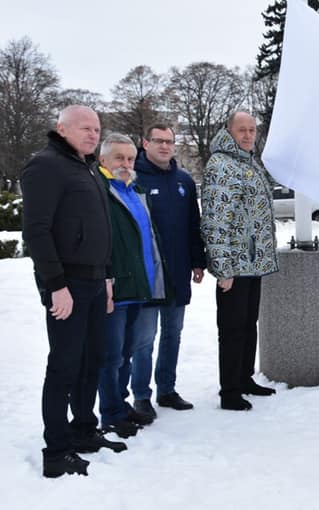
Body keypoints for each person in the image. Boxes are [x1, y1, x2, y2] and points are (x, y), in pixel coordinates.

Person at [22, 105, 125, 478]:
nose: (92, 134)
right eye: (84, 128)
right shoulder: (45, 166)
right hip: (68, 284)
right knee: (64, 367)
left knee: (92, 360)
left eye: (96, 128)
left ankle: (84, 429)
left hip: (97, 282)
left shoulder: (89, 168)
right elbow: (36, 231)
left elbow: (103, 231)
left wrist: (108, 278)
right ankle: (56, 451)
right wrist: (56, 286)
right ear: (61, 128)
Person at [201, 111, 279, 411]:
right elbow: (216, 221)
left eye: (251, 130)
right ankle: (230, 390)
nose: (248, 135)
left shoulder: (248, 162)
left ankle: (244, 378)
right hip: (234, 265)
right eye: (241, 130)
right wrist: (223, 268)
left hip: (253, 263)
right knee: (232, 328)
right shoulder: (222, 165)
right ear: (229, 131)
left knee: (248, 324)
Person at [130, 124, 206, 417]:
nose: (164, 146)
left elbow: (192, 226)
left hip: (178, 271)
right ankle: (140, 395)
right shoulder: (135, 179)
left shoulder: (184, 181)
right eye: (158, 141)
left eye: (169, 141)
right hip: (148, 276)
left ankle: (166, 389)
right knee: (144, 339)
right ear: (145, 142)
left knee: (173, 333)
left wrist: (197, 261)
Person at [95, 133, 167, 438]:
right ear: (103, 161)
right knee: (110, 357)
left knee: (124, 353)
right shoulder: (100, 191)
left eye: (129, 158)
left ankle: (121, 406)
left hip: (138, 288)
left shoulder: (134, 191)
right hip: (116, 290)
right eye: (118, 159)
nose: (126, 164)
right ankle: (110, 413)